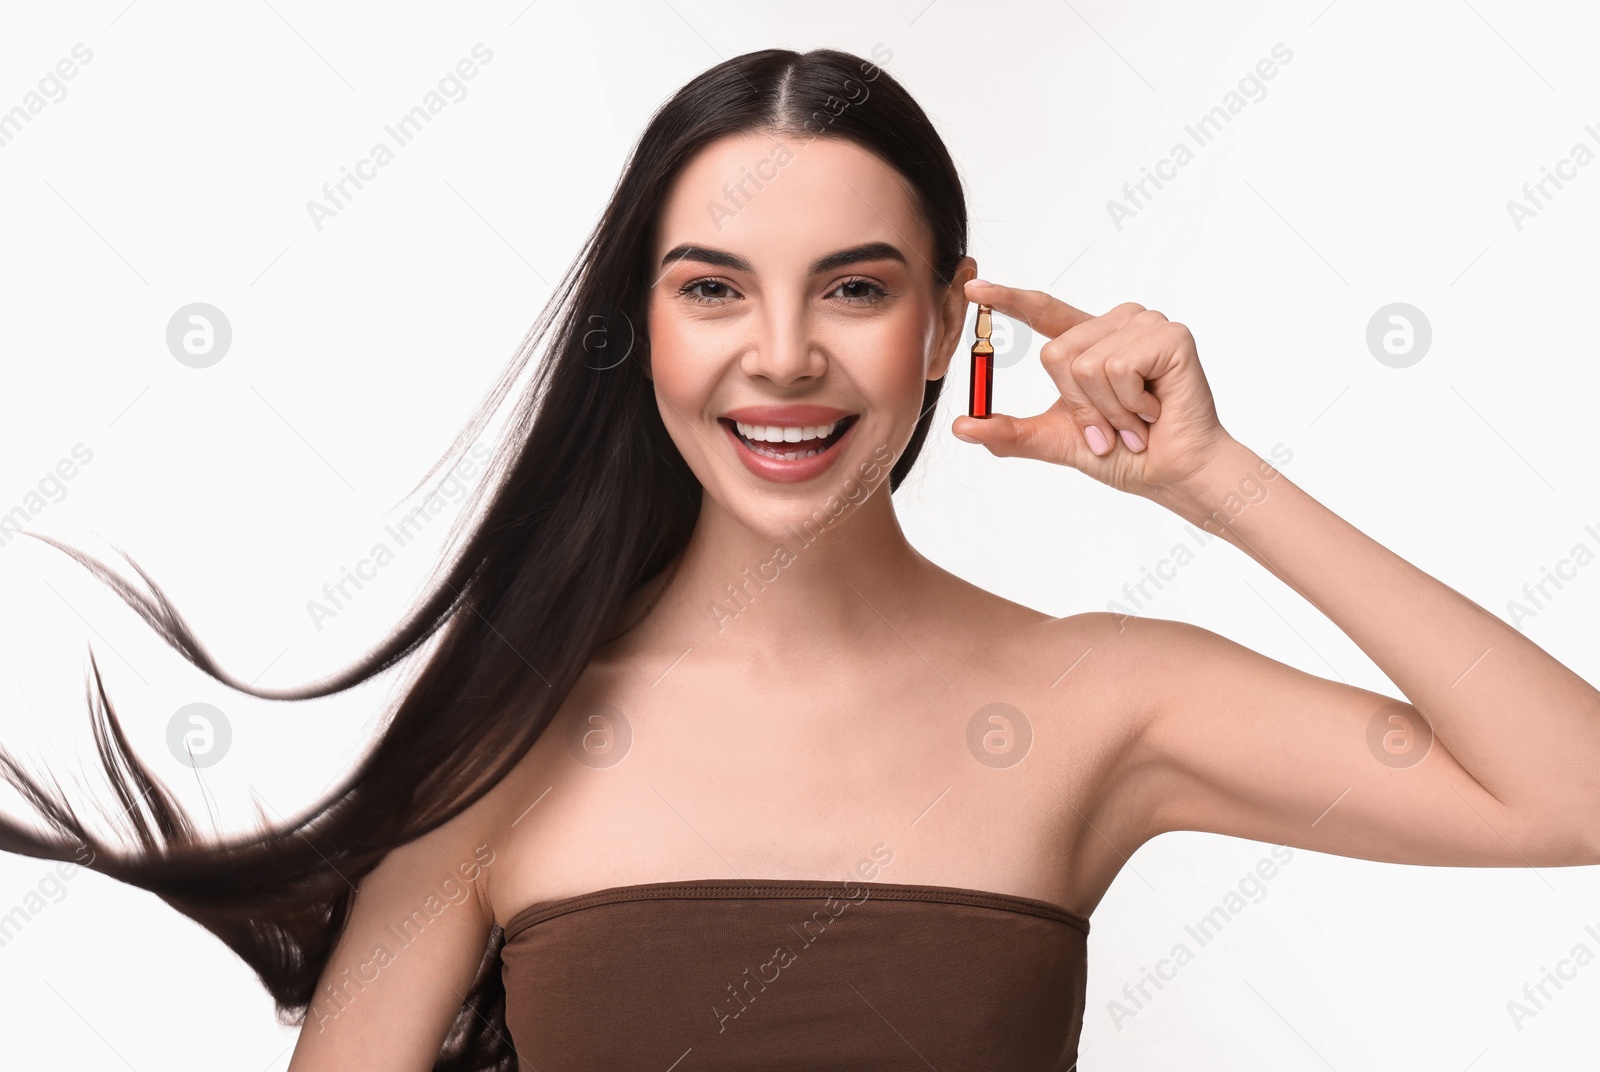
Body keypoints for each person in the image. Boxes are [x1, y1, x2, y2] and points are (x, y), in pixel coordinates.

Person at [4, 46, 1598, 1071]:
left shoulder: (1101, 699)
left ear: (943, 326)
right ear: (645, 323)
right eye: (713, 290)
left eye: (853, 289)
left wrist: (1213, 478)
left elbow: (1573, 797)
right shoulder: (517, 725)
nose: (782, 358)